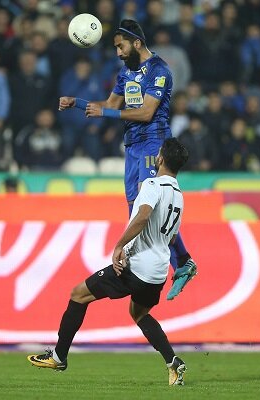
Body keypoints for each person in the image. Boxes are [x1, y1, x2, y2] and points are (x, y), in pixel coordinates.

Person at [27, 138, 189, 386]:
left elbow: (142, 217)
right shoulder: (178, 196)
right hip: (158, 273)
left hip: (138, 268)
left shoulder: (152, 184)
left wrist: (120, 246)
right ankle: (172, 362)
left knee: (79, 294)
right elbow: (173, 237)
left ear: (161, 159)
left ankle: (58, 357)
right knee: (139, 313)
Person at [57, 19, 197, 301]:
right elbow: (110, 105)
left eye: (121, 47)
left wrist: (106, 114)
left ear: (137, 43)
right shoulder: (125, 73)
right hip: (132, 147)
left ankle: (183, 262)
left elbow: (146, 113)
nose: (118, 53)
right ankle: (166, 261)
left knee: (150, 207)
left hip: (154, 144)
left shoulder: (159, 70)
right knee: (134, 208)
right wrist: (78, 103)